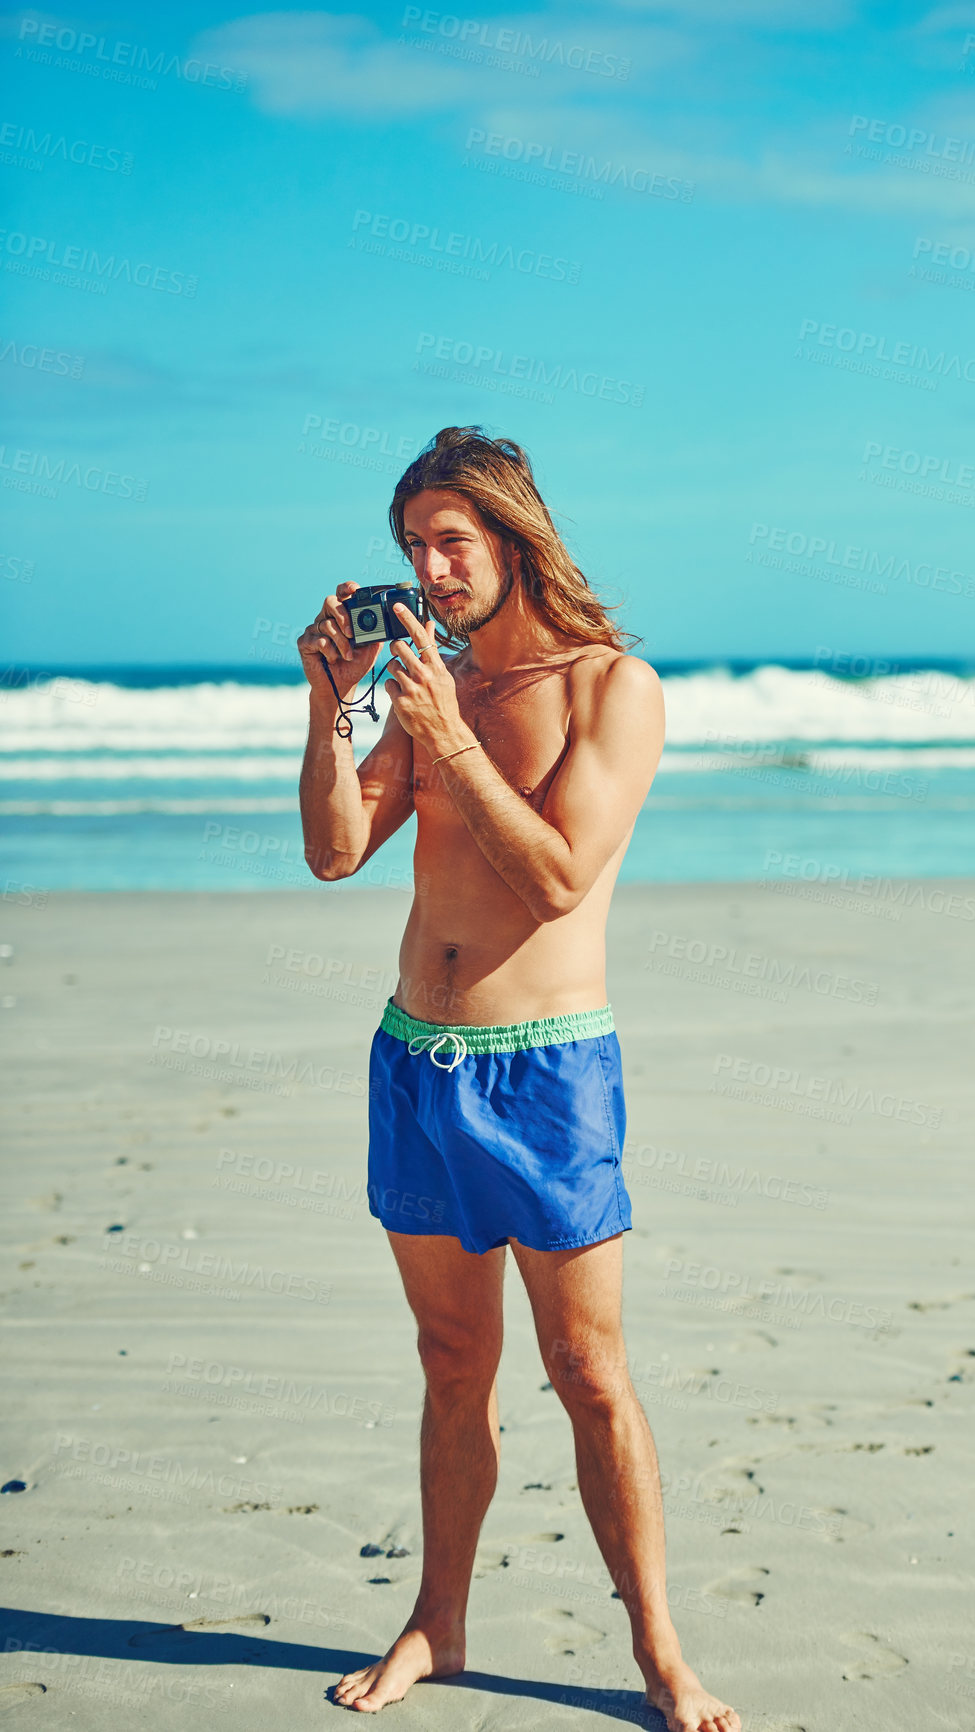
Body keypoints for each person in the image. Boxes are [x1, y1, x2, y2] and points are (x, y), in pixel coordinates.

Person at [297, 427, 740, 1731]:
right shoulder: (425, 685)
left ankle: (660, 1654)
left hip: (545, 1074)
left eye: (450, 543)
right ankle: (438, 1622)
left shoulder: (613, 685)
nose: (428, 572)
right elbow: (333, 852)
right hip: (413, 1064)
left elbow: (555, 877)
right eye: (411, 549)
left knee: (587, 1372)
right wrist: (336, 704)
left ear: (512, 540)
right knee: (449, 1360)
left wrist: (447, 731)